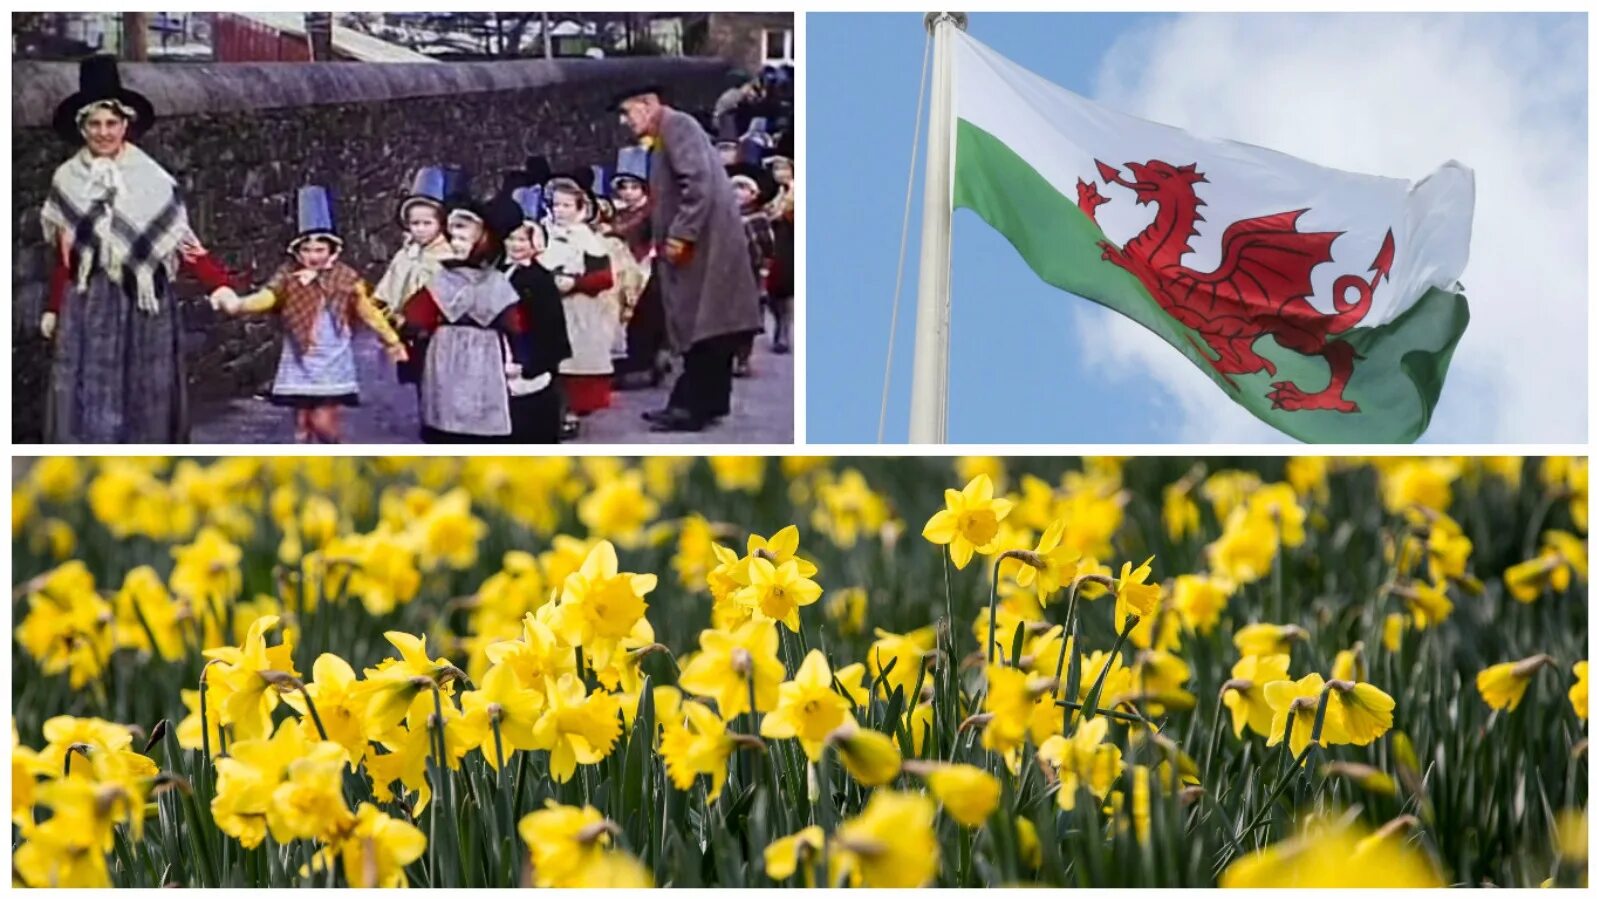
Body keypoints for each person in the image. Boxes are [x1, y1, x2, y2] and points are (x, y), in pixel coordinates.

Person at [39, 54, 236, 443]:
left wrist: (218, 284)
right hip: (90, 303)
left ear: (126, 125)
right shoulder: (66, 180)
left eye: (112, 123)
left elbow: (183, 241)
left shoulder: (153, 178)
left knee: (147, 394)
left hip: (146, 302)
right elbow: (66, 257)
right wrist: (53, 306)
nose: (103, 132)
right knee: (90, 396)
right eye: (94, 124)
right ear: (82, 128)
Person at [612, 84, 762, 433]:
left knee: (701, 323)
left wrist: (681, 234)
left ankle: (690, 406)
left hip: (704, 246)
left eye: (627, 111)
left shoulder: (677, 127)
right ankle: (709, 402)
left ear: (649, 104)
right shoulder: (669, 133)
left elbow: (697, 184)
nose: (624, 120)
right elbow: (668, 195)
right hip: (707, 243)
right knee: (713, 324)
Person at [215, 186, 407, 443]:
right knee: (303, 425)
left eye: (319, 250)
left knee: (324, 423)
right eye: (307, 250)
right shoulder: (290, 276)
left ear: (331, 250)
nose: (313, 256)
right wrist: (239, 305)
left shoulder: (346, 279)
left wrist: (391, 340)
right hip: (300, 361)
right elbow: (269, 297)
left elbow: (368, 312)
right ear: (298, 251)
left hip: (331, 362)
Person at [401, 189, 530, 443]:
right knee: (463, 394)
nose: (456, 243)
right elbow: (515, 322)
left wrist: (412, 333)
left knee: (455, 394)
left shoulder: (489, 282)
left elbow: (416, 316)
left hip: (459, 345)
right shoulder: (461, 280)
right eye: (454, 237)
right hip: (472, 345)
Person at [542, 174, 617, 435]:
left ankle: (570, 412)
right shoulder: (542, 233)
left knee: (574, 362)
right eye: (556, 205)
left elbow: (605, 278)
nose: (560, 211)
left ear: (580, 208)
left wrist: (576, 283)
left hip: (578, 309)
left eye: (566, 206)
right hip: (548, 307)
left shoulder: (588, 239)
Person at [372, 165, 461, 384]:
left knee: (438, 379)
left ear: (441, 223)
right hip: (406, 328)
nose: (420, 229)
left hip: (437, 332)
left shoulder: (449, 257)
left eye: (427, 223)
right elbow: (390, 286)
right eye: (415, 224)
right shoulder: (407, 254)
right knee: (416, 378)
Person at [500, 183, 572, 443]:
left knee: (541, 397)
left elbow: (550, 321)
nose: (516, 245)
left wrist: (539, 357)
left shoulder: (539, 278)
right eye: (512, 239)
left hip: (536, 347)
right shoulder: (503, 272)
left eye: (523, 240)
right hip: (512, 344)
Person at [607, 146, 667, 390]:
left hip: (644, 268)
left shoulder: (652, 212)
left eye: (635, 187)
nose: (629, 193)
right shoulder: (616, 212)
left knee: (643, 318)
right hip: (619, 268)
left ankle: (646, 364)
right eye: (625, 187)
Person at [727, 163, 778, 378]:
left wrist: (765, 269)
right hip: (725, 271)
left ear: (754, 193)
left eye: (743, 188)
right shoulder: (723, 215)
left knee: (746, 318)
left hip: (750, 271)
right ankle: (727, 357)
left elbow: (768, 247)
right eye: (734, 187)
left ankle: (743, 358)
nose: (738, 192)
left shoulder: (759, 218)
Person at [764, 152, 795, 355]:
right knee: (772, 291)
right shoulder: (773, 192)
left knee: (783, 288)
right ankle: (779, 325)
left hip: (788, 241)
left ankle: (783, 330)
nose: (780, 172)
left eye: (784, 168)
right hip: (771, 242)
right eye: (776, 169)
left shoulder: (795, 190)